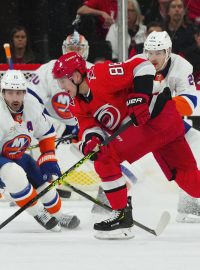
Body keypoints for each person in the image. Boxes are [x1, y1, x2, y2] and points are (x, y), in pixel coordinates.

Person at [52, 51, 200, 240]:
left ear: (76, 76)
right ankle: (121, 215)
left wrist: (140, 96)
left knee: (106, 158)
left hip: (157, 119)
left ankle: (121, 217)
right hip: (163, 127)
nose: (61, 86)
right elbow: (89, 127)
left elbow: (142, 65)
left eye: (63, 81)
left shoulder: (100, 74)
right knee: (191, 183)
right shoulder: (76, 104)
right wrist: (92, 141)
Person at [0, 69, 80, 231]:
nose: (15, 98)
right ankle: (38, 212)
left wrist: (48, 156)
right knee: (14, 175)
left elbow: (46, 133)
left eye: (19, 93)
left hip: (18, 154)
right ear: (3, 93)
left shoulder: (31, 105)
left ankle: (58, 214)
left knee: (43, 181)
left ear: (25, 92)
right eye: (10, 93)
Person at [143, 31, 200, 223]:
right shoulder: (137, 63)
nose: (153, 58)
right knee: (133, 160)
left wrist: (166, 106)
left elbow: (191, 101)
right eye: (149, 52)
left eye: (158, 53)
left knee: (197, 142)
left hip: (166, 122)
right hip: (139, 123)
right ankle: (107, 201)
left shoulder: (182, 66)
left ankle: (188, 203)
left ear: (168, 51)